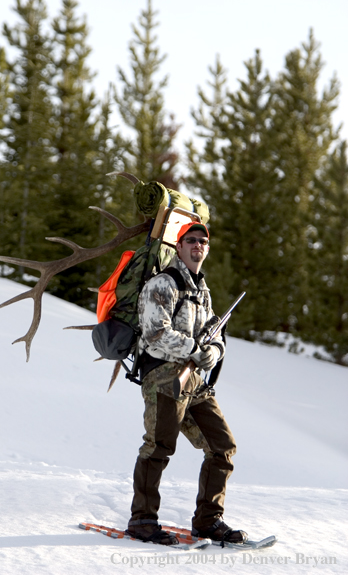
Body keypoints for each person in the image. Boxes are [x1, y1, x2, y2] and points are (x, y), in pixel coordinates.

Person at [126, 222, 248, 546]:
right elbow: (155, 333)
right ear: (178, 247)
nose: (197, 246)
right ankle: (142, 519)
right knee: (159, 445)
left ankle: (208, 521)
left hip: (192, 379)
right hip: (162, 376)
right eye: (190, 240)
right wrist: (195, 349)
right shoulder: (163, 283)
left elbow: (215, 331)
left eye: (202, 242)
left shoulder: (201, 291)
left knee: (222, 446)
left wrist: (214, 351)